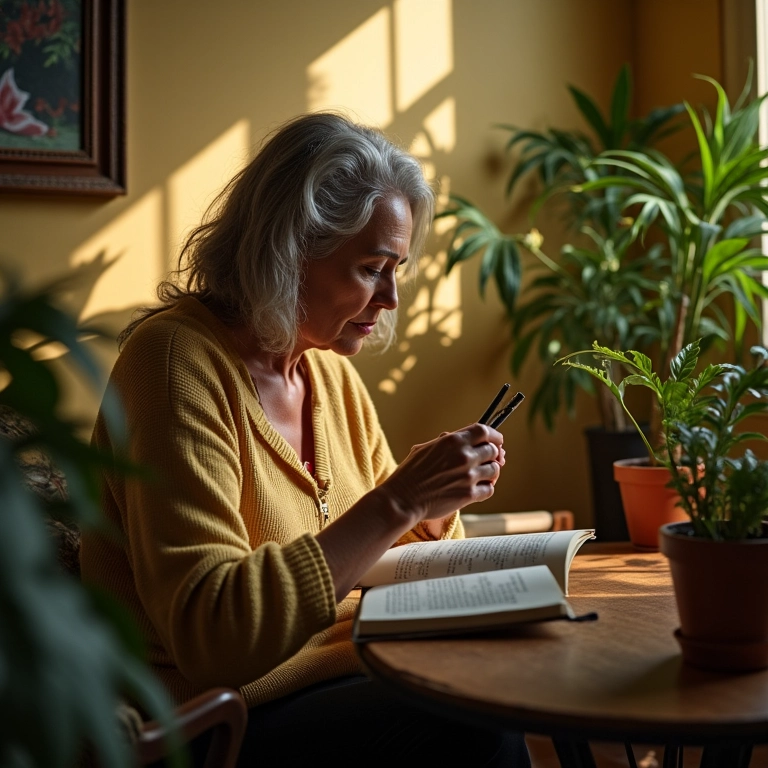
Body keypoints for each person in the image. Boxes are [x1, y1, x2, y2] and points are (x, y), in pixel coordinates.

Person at [80, 112, 531, 767]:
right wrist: (397, 502)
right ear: (287, 251)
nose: (392, 299)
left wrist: (433, 507)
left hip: (343, 677)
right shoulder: (175, 361)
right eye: (374, 268)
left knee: (496, 684)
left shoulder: (326, 372)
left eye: (397, 269)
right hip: (214, 721)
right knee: (472, 725)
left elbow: (388, 561)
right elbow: (216, 640)